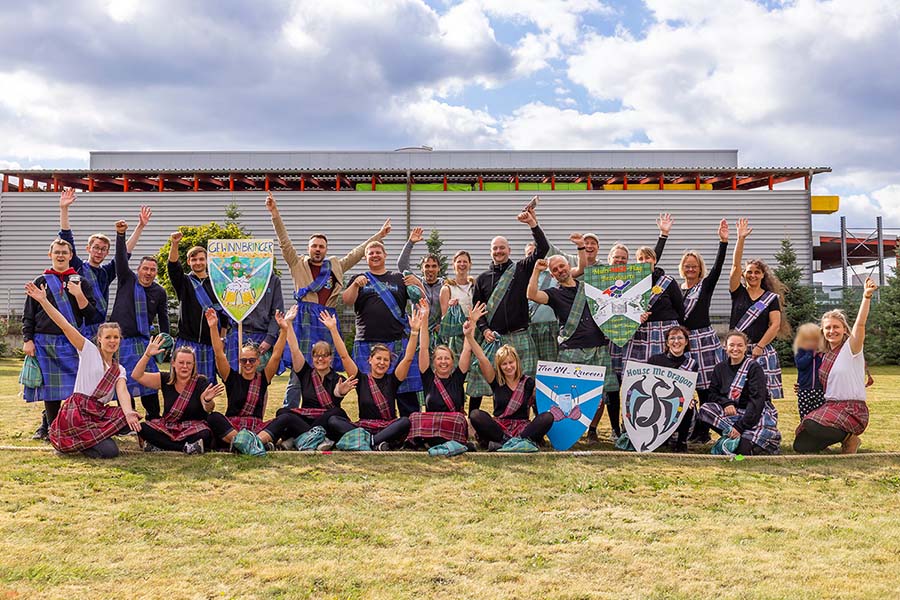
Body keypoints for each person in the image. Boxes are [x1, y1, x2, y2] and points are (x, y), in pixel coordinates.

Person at [265, 192, 390, 399]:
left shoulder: (335, 266)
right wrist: (274, 213)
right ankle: (290, 411)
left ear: (326, 249)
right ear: (308, 248)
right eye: (314, 246)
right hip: (304, 317)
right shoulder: (297, 264)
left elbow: (357, 253)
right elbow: (284, 242)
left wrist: (379, 236)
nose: (317, 249)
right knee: (299, 367)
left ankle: (328, 405)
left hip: (326, 319)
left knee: (327, 365)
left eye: (321, 246)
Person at [575, 214, 673, 443]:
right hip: (603, 339)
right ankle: (594, 428)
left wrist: (663, 235)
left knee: (624, 384)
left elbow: (650, 263)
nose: (620, 261)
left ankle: (623, 427)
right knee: (608, 386)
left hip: (626, 337)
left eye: (623, 258)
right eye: (616, 257)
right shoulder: (597, 277)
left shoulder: (633, 278)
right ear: (609, 258)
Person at [23, 282, 140, 458]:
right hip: (77, 413)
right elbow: (64, 325)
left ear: (120, 340)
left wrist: (129, 412)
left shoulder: (119, 369)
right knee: (110, 452)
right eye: (108, 337)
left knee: (129, 419)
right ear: (99, 339)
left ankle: (89, 438)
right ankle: (81, 440)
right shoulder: (88, 350)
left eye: (116, 337)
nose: (112, 341)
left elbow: (122, 391)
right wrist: (44, 301)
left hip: (97, 414)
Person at [467, 205, 549, 408]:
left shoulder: (521, 269)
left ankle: (535, 430)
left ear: (509, 250)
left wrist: (532, 223)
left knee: (529, 381)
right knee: (480, 376)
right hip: (496, 338)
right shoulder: (482, 279)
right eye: (495, 248)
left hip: (521, 335)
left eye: (502, 247)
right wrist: (484, 329)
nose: (499, 251)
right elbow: (478, 311)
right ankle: (473, 425)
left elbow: (543, 248)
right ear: (490, 252)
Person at [23, 238, 100, 439]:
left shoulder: (80, 281)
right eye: (57, 252)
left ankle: (71, 425)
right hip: (44, 341)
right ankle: (51, 430)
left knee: (75, 387)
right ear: (50, 255)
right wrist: (27, 339)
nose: (60, 255)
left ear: (71, 256)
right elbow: (29, 314)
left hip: (72, 342)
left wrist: (79, 295)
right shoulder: (41, 281)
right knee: (50, 390)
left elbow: (92, 315)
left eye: (64, 252)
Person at [205, 307, 310, 453]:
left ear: (258, 361)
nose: (248, 364)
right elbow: (219, 355)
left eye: (252, 360)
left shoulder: (263, 377)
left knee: (285, 417)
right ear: (239, 361)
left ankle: (248, 444)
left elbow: (276, 355)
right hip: (233, 427)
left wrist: (284, 330)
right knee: (213, 417)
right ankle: (249, 443)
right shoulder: (231, 377)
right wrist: (213, 328)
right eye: (244, 361)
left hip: (257, 428)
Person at [342, 240, 425, 417]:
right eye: (371, 253)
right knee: (368, 389)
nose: (375, 255)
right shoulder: (359, 278)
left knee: (405, 390)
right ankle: (372, 425)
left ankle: (411, 429)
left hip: (397, 341)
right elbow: (347, 300)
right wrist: (356, 285)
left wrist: (417, 282)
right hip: (366, 342)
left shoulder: (399, 278)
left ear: (385, 255)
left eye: (378, 252)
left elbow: (422, 300)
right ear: (365, 257)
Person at [794, 278, 877, 454]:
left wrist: (866, 297)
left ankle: (850, 439)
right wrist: (803, 386)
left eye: (836, 327)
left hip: (851, 409)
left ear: (845, 329)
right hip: (830, 407)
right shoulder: (825, 355)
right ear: (823, 332)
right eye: (828, 328)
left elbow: (860, 324)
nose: (832, 331)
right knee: (801, 445)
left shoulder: (852, 348)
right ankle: (836, 436)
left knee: (811, 423)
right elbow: (827, 381)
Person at [57, 188, 151, 339]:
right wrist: (64, 209)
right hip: (78, 324)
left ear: (107, 253)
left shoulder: (107, 272)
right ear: (88, 248)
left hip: (100, 327)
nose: (99, 252)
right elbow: (67, 238)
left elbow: (124, 254)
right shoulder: (77, 266)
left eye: (103, 249)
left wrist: (140, 226)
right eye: (96, 248)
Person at [325, 309, 421, 450]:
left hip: (387, 427)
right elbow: (344, 356)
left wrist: (414, 332)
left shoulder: (393, 379)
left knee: (405, 421)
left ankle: (367, 442)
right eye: (378, 359)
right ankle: (376, 443)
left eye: (386, 360)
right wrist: (333, 329)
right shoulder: (361, 379)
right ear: (370, 360)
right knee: (333, 421)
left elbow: (408, 359)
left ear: (389, 364)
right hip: (363, 427)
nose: (382, 363)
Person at [109, 220, 169, 420]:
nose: (148, 273)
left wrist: (166, 341)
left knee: (149, 383)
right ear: (138, 269)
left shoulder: (159, 292)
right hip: (121, 341)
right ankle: (127, 419)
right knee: (122, 381)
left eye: (152, 270)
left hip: (144, 343)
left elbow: (164, 318)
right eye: (145, 268)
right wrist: (120, 235)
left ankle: (154, 417)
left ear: (156, 272)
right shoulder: (127, 279)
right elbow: (120, 258)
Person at [526, 255, 615, 389]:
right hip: (571, 349)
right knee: (573, 391)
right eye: (555, 270)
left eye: (562, 266)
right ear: (552, 275)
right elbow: (531, 295)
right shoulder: (553, 294)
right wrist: (536, 271)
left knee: (603, 394)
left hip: (598, 346)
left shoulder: (589, 287)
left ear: (568, 266)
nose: (560, 270)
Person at [679, 219, 729, 443]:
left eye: (694, 265)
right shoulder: (676, 289)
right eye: (687, 265)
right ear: (683, 267)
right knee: (687, 386)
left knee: (706, 388)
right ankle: (689, 427)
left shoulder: (705, 286)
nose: (691, 268)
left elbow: (718, 268)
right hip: (685, 342)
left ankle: (704, 429)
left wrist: (723, 241)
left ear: (700, 268)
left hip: (704, 340)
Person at [467, 323, 554, 450]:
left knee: (547, 417)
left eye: (511, 362)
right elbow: (482, 358)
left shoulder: (528, 382)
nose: (508, 367)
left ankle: (506, 443)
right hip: (500, 428)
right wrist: (469, 336)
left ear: (517, 362)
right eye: (504, 364)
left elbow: (543, 400)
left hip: (523, 428)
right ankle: (512, 442)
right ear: (499, 366)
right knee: (475, 415)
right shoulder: (495, 380)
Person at [729, 218, 790, 399]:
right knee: (736, 394)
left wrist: (760, 347)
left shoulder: (770, 298)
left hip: (760, 352)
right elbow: (735, 265)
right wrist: (740, 239)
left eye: (757, 272)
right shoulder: (737, 292)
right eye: (749, 272)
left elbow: (775, 325)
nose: (753, 275)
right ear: (744, 274)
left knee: (762, 395)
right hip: (737, 350)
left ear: (763, 275)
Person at [132, 339, 223, 454]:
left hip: (193, 429)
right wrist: (147, 355)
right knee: (143, 427)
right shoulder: (165, 379)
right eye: (181, 362)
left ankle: (162, 446)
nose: (185, 366)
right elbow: (137, 375)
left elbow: (208, 408)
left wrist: (207, 400)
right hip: (168, 428)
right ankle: (186, 448)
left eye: (189, 363)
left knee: (205, 434)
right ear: (173, 363)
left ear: (193, 364)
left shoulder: (200, 381)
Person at [698, 330, 782, 455]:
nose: (735, 349)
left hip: (753, 414)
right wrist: (726, 403)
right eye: (732, 345)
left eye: (739, 345)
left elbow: (757, 400)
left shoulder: (754, 368)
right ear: (725, 347)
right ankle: (734, 436)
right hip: (732, 413)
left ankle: (743, 438)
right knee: (705, 409)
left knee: (743, 452)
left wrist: (740, 426)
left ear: (745, 348)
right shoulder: (720, 368)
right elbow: (712, 394)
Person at [406, 300, 476, 447]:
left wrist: (472, 325)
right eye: (439, 358)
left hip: (452, 425)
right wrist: (424, 320)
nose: (443, 362)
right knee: (414, 417)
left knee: (458, 419)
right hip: (432, 423)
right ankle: (442, 441)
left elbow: (466, 350)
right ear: (434, 362)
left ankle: (429, 441)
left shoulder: (458, 377)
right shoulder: (428, 377)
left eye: (447, 358)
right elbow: (424, 347)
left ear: (452, 361)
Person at [278, 310, 356, 435]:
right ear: (312, 358)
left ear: (330, 358)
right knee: (283, 413)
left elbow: (337, 393)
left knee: (336, 413)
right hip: (306, 419)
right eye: (317, 356)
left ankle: (304, 437)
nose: (320, 359)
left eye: (324, 355)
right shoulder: (305, 373)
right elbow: (294, 350)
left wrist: (340, 392)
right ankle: (314, 436)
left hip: (327, 421)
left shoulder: (338, 379)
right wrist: (289, 324)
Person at [167, 230, 225, 383]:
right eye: (194, 260)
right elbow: (172, 266)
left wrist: (222, 338)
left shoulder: (217, 283)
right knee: (180, 382)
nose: (198, 262)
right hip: (187, 340)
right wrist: (175, 244)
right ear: (188, 262)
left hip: (209, 343)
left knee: (206, 385)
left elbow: (224, 315)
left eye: (201, 259)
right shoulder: (183, 282)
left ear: (207, 261)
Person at [525, 235, 583, 367]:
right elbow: (530, 295)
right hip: (531, 327)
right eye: (529, 255)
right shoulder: (526, 275)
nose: (533, 258)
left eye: (535, 254)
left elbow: (581, 268)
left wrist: (581, 247)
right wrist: (535, 271)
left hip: (552, 327)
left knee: (552, 366)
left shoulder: (553, 274)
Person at [646, 325, 699, 452]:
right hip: (656, 401)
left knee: (688, 404)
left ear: (686, 342)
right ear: (667, 342)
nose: (676, 341)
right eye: (672, 338)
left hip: (676, 402)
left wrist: (689, 399)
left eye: (680, 338)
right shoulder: (655, 360)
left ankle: (681, 442)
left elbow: (688, 389)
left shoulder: (692, 364)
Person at [223, 275, 284, 373]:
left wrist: (269, 339)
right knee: (234, 380)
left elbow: (277, 312)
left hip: (262, 337)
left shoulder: (272, 279)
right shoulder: (235, 277)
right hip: (237, 335)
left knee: (260, 382)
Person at [397, 226, 444, 348]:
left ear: (439, 268)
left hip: (438, 335)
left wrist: (442, 324)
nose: (430, 269)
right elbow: (401, 264)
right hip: (418, 334)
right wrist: (410, 242)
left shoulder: (445, 285)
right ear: (422, 268)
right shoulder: (415, 281)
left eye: (434, 266)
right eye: (427, 266)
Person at [439, 250, 474, 359]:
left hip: (474, 332)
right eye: (459, 262)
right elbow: (444, 317)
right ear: (453, 265)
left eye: (465, 262)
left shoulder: (475, 286)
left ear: (470, 264)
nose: (462, 264)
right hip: (456, 335)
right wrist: (450, 308)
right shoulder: (447, 288)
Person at [793, 323, 826, 419]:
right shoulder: (801, 351)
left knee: (819, 418)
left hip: (820, 390)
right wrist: (811, 353)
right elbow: (800, 365)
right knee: (805, 417)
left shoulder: (823, 353)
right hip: (804, 390)